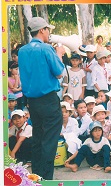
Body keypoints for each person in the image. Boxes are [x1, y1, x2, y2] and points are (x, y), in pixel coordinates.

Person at [18, 17, 65, 180]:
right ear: (42, 30)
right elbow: (59, 72)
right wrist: (59, 54)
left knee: (38, 137)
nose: (49, 32)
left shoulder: (22, 51)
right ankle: (46, 178)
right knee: (49, 140)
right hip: (49, 100)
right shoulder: (46, 49)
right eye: (47, 29)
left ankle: (36, 177)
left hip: (32, 102)